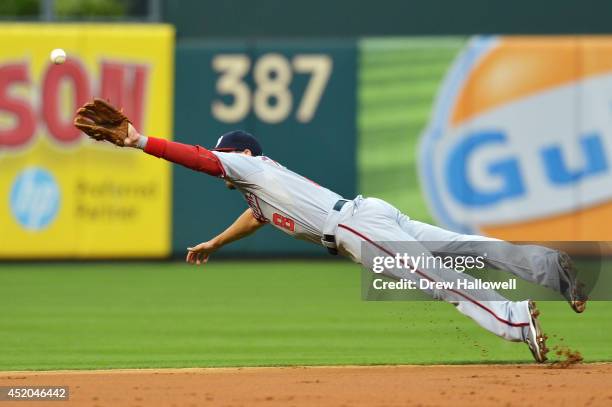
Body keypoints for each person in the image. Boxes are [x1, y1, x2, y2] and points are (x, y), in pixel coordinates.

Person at [74, 99, 587, 363]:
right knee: (463, 248)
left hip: (354, 228)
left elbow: (201, 160)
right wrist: (214, 242)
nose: (223, 161)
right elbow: (255, 216)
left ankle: (516, 321)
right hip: (371, 214)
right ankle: (551, 268)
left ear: (243, 153)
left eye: (228, 153)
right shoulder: (262, 187)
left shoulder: (248, 167)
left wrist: (141, 141)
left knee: (437, 276)